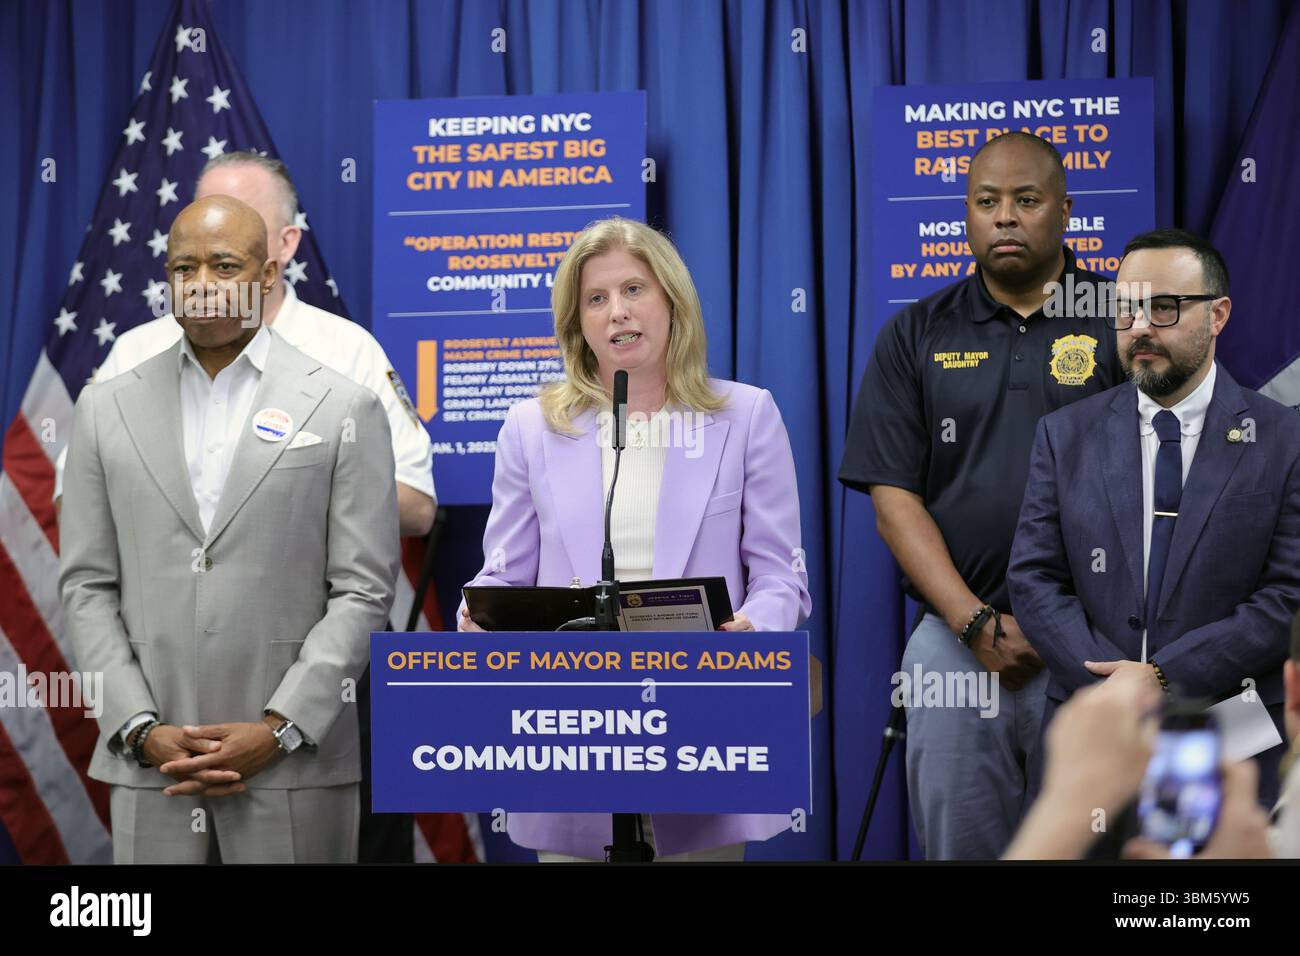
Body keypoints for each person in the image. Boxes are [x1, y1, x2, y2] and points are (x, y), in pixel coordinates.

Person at [458, 215, 811, 861]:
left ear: (672, 303)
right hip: (574, 731)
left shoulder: (745, 416)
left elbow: (780, 575)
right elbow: (503, 572)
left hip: (701, 724)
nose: (616, 312)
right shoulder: (530, 429)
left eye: (633, 290)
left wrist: (754, 630)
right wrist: (477, 612)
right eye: (596, 299)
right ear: (578, 323)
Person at [59, 195, 400, 863]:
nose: (203, 286)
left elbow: (363, 591)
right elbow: (86, 586)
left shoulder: (343, 406)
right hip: (152, 767)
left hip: (295, 769)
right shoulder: (104, 408)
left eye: (225, 265)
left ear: (269, 276)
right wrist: (137, 726)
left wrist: (281, 728)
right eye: (184, 268)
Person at [838, 132, 1125, 859]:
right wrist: (975, 625)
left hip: (1102, 645)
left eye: (1026, 201)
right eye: (986, 202)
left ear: (1064, 210)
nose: (1005, 217)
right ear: (964, 213)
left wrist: (1078, 631)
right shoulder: (915, 333)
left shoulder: (1122, 320)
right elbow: (892, 496)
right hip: (957, 645)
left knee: (1105, 849)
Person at [1008, 228, 1300, 809]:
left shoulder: (1284, 439)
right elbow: (1034, 579)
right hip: (1092, 733)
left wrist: (1163, 677)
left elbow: (1288, 594)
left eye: (1163, 308)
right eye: (1126, 309)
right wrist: (1113, 688)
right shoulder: (1065, 436)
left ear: (1218, 315)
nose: (1139, 326)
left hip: (1231, 732)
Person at [54, 151, 435, 538]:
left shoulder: (346, 350)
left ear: (285, 246)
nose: (215, 235)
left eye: (241, 220)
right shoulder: (136, 352)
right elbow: (73, 497)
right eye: (206, 216)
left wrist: (280, 490)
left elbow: (415, 504)